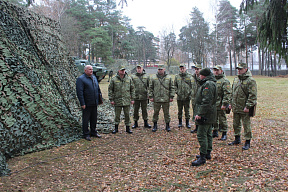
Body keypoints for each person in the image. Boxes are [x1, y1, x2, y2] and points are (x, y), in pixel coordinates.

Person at [191, 68, 217, 166]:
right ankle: (207, 153)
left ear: (204, 75)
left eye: (200, 75)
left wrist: (200, 114)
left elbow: (206, 101)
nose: (199, 76)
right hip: (209, 113)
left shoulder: (208, 84)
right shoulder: (210, 83)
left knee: (202, 134)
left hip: (206, 114)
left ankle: (202, 157)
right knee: (208, 134)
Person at [229, 63, 257, 150]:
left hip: (244, 108)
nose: (239, 70)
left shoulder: (250, 81)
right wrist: (230, 103)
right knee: (235, 124)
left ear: (245, 69)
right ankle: (237, 139)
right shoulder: (236, 79)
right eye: (238, 69)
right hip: (236, 107)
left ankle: (247, 141)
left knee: (246, 125)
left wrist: (248, 106)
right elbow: (232, 93)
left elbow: (253, 95)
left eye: (240, 69)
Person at [76, 65, 103, 141]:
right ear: (85, 70)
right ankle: (86, 134)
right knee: (86, 119)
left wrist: (99, 99)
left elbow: (97, 89)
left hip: (94, 102)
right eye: (89, 69)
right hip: (87, 103)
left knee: (94, 118)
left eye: (92, 69)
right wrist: (82, 103)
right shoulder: (81, 79)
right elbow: (79, 92)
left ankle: (93, 132)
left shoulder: (94, 77)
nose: (91, 71)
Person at [108, 65, 135, 134]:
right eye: (121, 70)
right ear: (118, 71)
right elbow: (110, 89)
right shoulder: (114, 79)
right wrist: (111, 99)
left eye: (124, 70)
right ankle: (116, 128)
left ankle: (128, 128)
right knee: (117, 115)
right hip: (117, 100)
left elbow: (132, 89)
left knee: (127, 115)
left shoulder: (129, 79)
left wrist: (132, 98)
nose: (123, 71)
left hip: (126, 100)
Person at [149, 65, 175, 132]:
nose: (160, 70)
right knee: (155, 113)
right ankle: (155, 125)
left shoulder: (168, 77)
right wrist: (151, 96)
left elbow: (172, 87)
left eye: (161, 69)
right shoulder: (153, 77)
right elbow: (150, 88)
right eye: (159, 69)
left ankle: (167, 125)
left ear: (164, 69)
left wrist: (171, 96)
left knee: (166, 113)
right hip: (156, 99)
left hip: (166, 98)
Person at [212, 65, 231, 140]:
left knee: (222, 119)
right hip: (214, 103)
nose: (216, 72)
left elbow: (227, 93)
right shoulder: (213, 80)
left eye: (217, 70)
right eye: (215, 70)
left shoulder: (225, 81)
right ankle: (215, 131)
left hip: (221, 103)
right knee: (214, 118)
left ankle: (224, 133)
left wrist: (224, 104)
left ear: (221, 71)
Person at [131, 64, 152, 129]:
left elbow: (150, 86)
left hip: (144, 96)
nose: (139, 69)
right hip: (136, 96)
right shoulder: (133, 76)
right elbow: (130, 87)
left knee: (144, 110)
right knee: (135, 110)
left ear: (142, 68)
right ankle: (135, 123)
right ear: (136, 69)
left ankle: (146, 122)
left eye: (140, 68)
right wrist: (131, 96)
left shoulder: (147, 76)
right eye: (138, 68)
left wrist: (149, 94)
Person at [174, 64, 194, 128]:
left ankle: (187, 123)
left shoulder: (190, 76)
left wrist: (189, 93)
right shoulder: (177, 76)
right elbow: (175, 85)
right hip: (179, 97)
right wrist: (177, 92)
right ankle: (180, 122)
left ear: (185, 69)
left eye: (183, 68)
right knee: (180, 110)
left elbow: (192, 86)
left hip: (187, 97)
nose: (182, 70)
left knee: (187, 110)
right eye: (181, 69)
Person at [191, 64, 202, 133]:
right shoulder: (192, 77)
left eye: (198, 69)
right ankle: (196, 127)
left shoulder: (203, 78)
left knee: (200, 112)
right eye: (195, 69)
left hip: (200, 98)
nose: (196, 71)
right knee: (195, 112)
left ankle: (201, 127)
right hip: (194, 98)